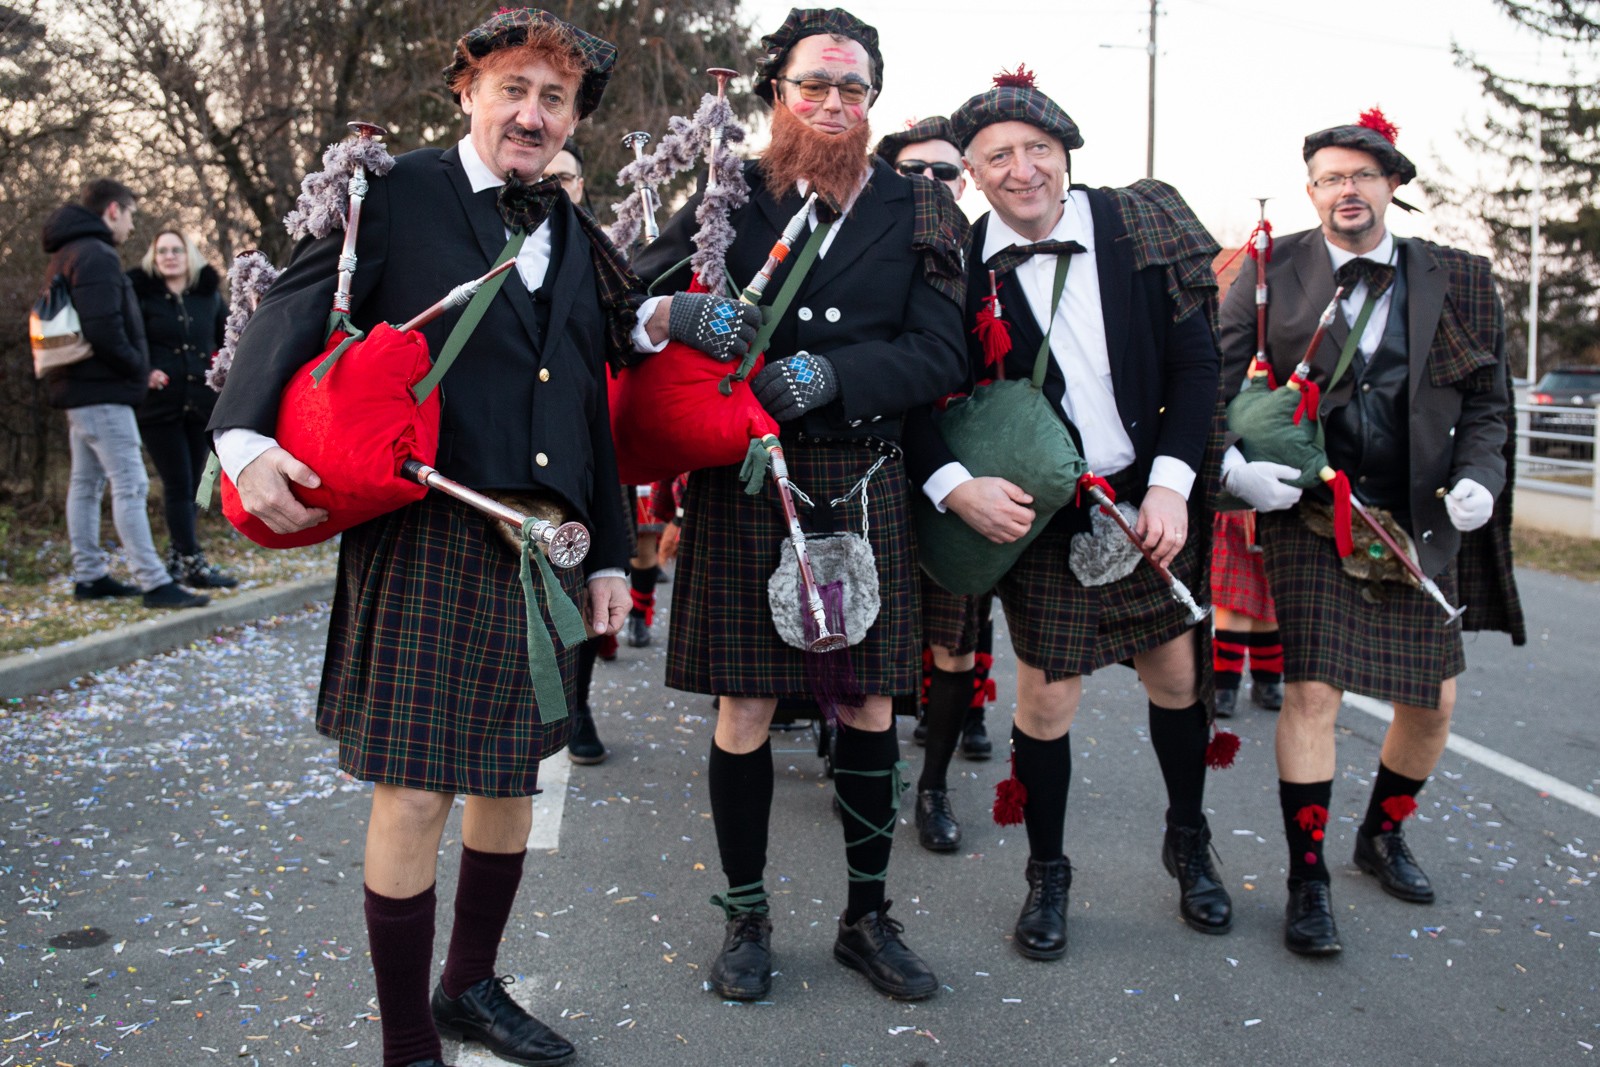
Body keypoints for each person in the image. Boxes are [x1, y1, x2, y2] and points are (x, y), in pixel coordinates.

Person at [206, 10, 715, 1065]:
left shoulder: (575, 232)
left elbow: (588, 401)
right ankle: (407, 1041)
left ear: (572, 120)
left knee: (513, 775)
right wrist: (243, 442)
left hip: (545, 545)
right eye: (512, 89)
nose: (532, 114)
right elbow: (289, 312)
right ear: (467, 92)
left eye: (553, 99)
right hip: (429, 528)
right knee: (415, 786)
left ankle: (469, 985)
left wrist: (609, 550)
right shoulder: (390, 194)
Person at [633, 7, 969, 1002]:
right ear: (777, 93)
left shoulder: (921, 209)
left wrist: (835, 373)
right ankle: (744, 915)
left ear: (873, 100)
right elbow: (623, 301)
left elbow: (942, 352)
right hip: (748, 475)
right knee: (744, 703)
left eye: (851, 87)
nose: (831, 103)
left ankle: (867, 917)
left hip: (862, 475)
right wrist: (676, 313)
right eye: (812, 85)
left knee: (868, 703)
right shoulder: (727, 194)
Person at [905, 68, 1231, 961]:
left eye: (1037, 149)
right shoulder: (953, 265)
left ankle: (1189, 839)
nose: (1022, 170)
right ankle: (1047, 869)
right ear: (972, 173)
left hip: (1146, 495)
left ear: (1066, 154)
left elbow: (1198, 364)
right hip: (1047, 512)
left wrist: (1171, 483)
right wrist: (955, 485)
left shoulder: (1138, 223)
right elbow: (919, 395)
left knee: (1176, 675)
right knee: (1046, 696)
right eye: (997, 157)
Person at [1218, 111, 1523, 958]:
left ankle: (1381, 833)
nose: (1345, 190)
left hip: (1414, 510)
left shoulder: (1460, 278)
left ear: (1392, 185)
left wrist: (1480, 476)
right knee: (1313, 689)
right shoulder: (1268, 270)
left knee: (1433, 702)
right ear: (1311, 190)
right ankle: (1307, 877)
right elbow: (1215, 376)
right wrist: (1231, 466)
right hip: (1311, 506)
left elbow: (1488, 400)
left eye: (1360, 175)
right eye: (1329, 177)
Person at [873, 114, 990, 853]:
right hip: (875, 466)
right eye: (912, 170)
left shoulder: (988, 253)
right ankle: (869, 770)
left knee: (953, 646)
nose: (929, 182)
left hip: (961, 468)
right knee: (869, 639)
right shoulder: (865, 247)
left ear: (964, 180)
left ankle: (934, 786)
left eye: (944, 171)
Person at [40, 179, 210, 610]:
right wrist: (138, 367)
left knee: (85, 483)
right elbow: (103, 328)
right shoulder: (96, 254)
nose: (132, 226)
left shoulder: (67, 252)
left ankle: (89, 575)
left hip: (79, 386)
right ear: (114, 210)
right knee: (131, 483)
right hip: (102, 390)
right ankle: (154, 582)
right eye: (131, 214)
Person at [541, 138, 609, 765]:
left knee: (581, 586)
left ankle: (578, 704)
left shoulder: (599, 252)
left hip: (583, 444)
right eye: (548, 175)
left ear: (581, 187)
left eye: (566, 178)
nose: (554, 185)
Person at [129, 228, 238, 590]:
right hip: (159, 406)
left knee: (196, 485)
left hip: (201, 404)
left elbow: (229, 340)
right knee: (177, 484)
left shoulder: (208, 296)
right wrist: (144, 371)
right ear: (153, 256)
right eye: (162, 251)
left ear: (188, 255)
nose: (169, 256)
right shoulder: (140, 296)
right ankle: (193, 560)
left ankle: (178, 558)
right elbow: (126, 340)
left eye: (176, 250)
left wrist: (222, 373)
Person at [1210, 514, 1282, 717]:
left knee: (1270, 597)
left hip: (1281, 512)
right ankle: (1224, 685)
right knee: (1234, 595)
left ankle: (1267, 679)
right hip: (1239, 510)